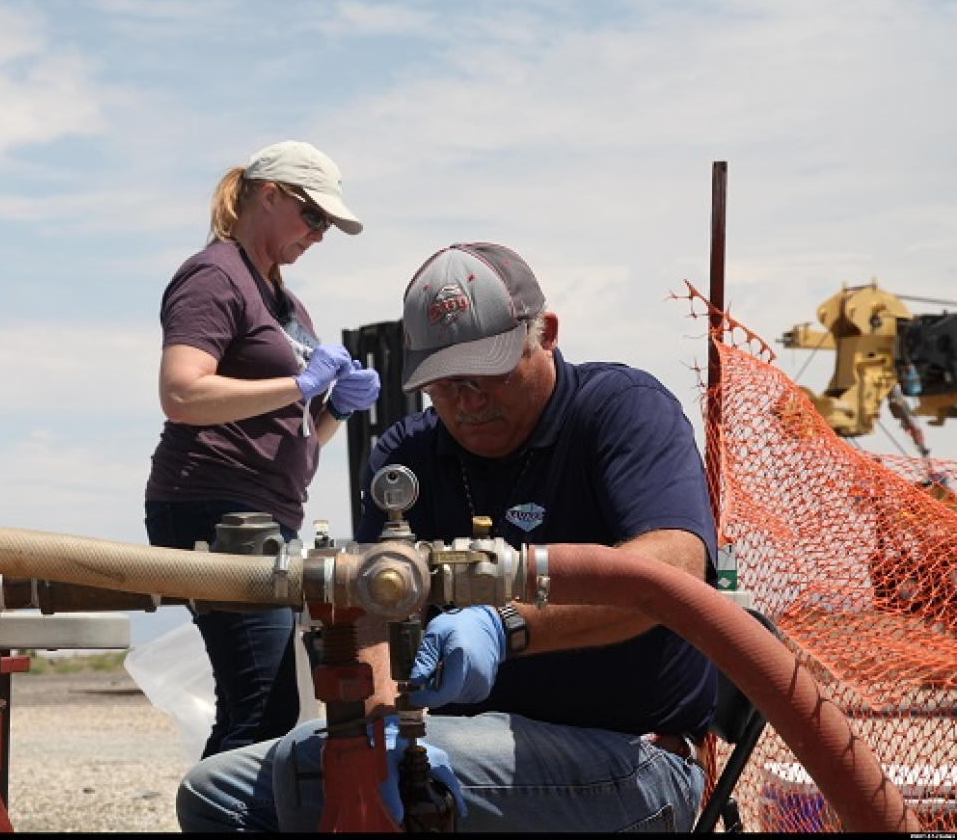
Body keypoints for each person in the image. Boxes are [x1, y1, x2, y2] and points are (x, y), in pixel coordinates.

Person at [176, 242, 719, 832]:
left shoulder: (621, 412)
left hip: (629, 757)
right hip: (465, 741)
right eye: (443, 384)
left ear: (547, 334)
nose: (466, 402)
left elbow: (672, 569)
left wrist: (508, 625)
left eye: (486, 373)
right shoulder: (408, 455)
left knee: (307, 778)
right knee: (217, 793)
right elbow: (371, 612)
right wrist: (378, 731)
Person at [144, 140, 382, 759]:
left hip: (263, 514)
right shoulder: (216, 275)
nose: (321, 235)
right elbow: (182, 392)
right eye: (314, 217)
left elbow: (295, 434)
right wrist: (301, 383)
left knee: (269, 700)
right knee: (261, 701)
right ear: (269, 196)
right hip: (214, 508)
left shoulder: (284, 298)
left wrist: (333, 409)